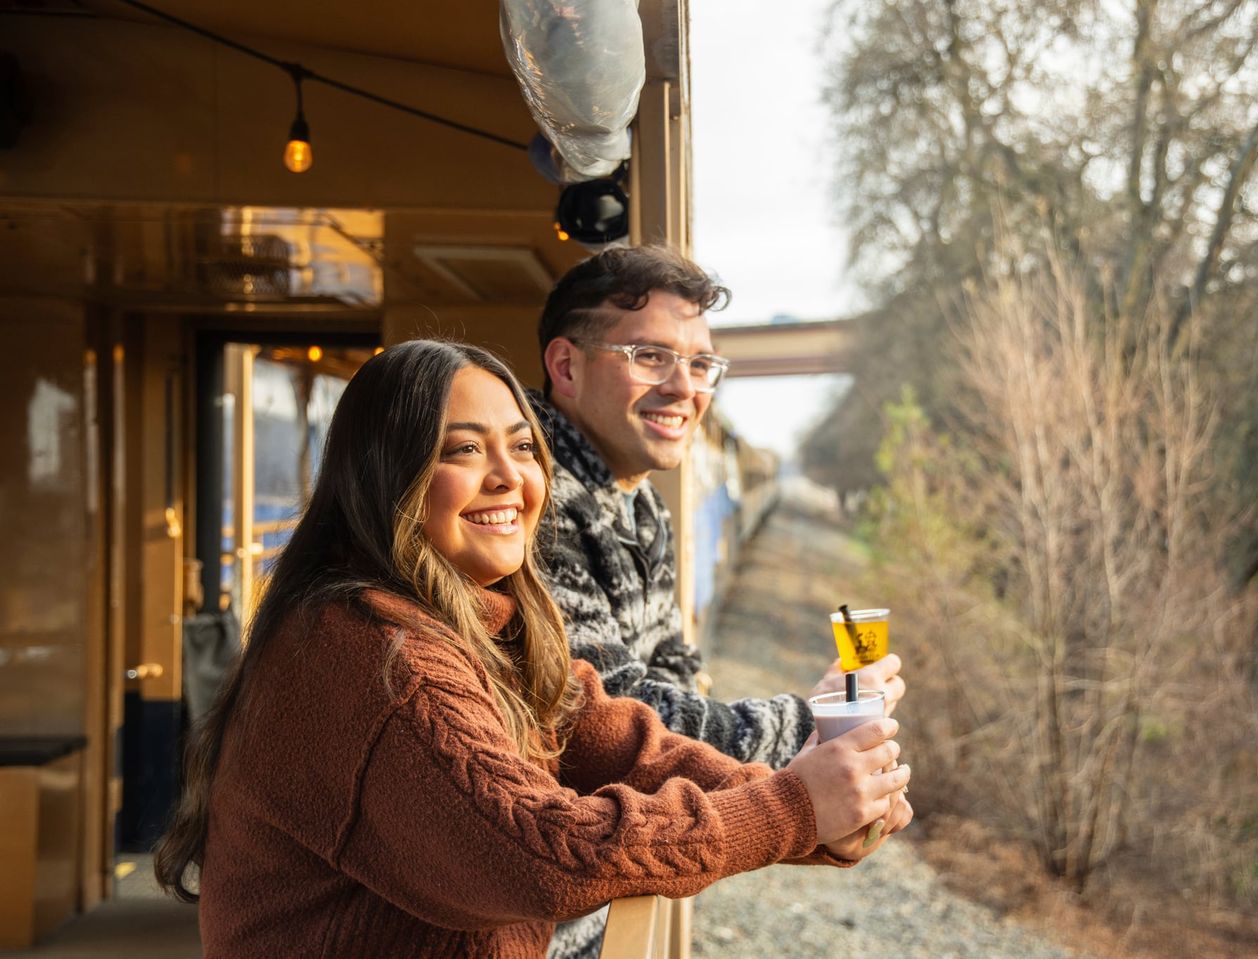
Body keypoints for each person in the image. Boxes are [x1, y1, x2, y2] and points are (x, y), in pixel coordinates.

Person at [152, 340, 912, 958]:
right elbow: (546, 853)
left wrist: (829, 815)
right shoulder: (373, 652)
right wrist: (792, 803)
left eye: (522, 446)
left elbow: (632, 749)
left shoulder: (485, 630)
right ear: (388, 477)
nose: (510, 477)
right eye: (462, 450)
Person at [531, 245, 908, 958]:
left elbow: (674, 675)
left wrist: (812, 779)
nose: (685, 387)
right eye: (650, 355)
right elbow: (613, 718)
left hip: (591, 907)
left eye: (701, 364)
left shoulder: (642, 507)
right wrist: (808, 724)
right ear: (567, 366)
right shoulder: (529, 500)